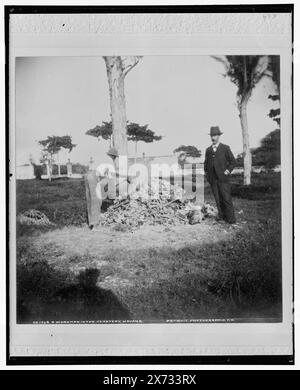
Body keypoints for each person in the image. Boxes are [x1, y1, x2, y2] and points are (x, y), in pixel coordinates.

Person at [204, 126, 236, 224]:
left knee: (226, 198)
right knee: (218, 199)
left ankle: (231, 219)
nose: (213, 138)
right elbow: (206, 163)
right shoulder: (208, 150)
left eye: (215, 135)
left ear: (219, 136)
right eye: (212, 136)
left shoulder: (225, 148)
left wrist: (227, 172)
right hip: (213, 179)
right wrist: (207, 174)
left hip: (223, 178)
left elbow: (233, 162)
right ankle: (222, 217)